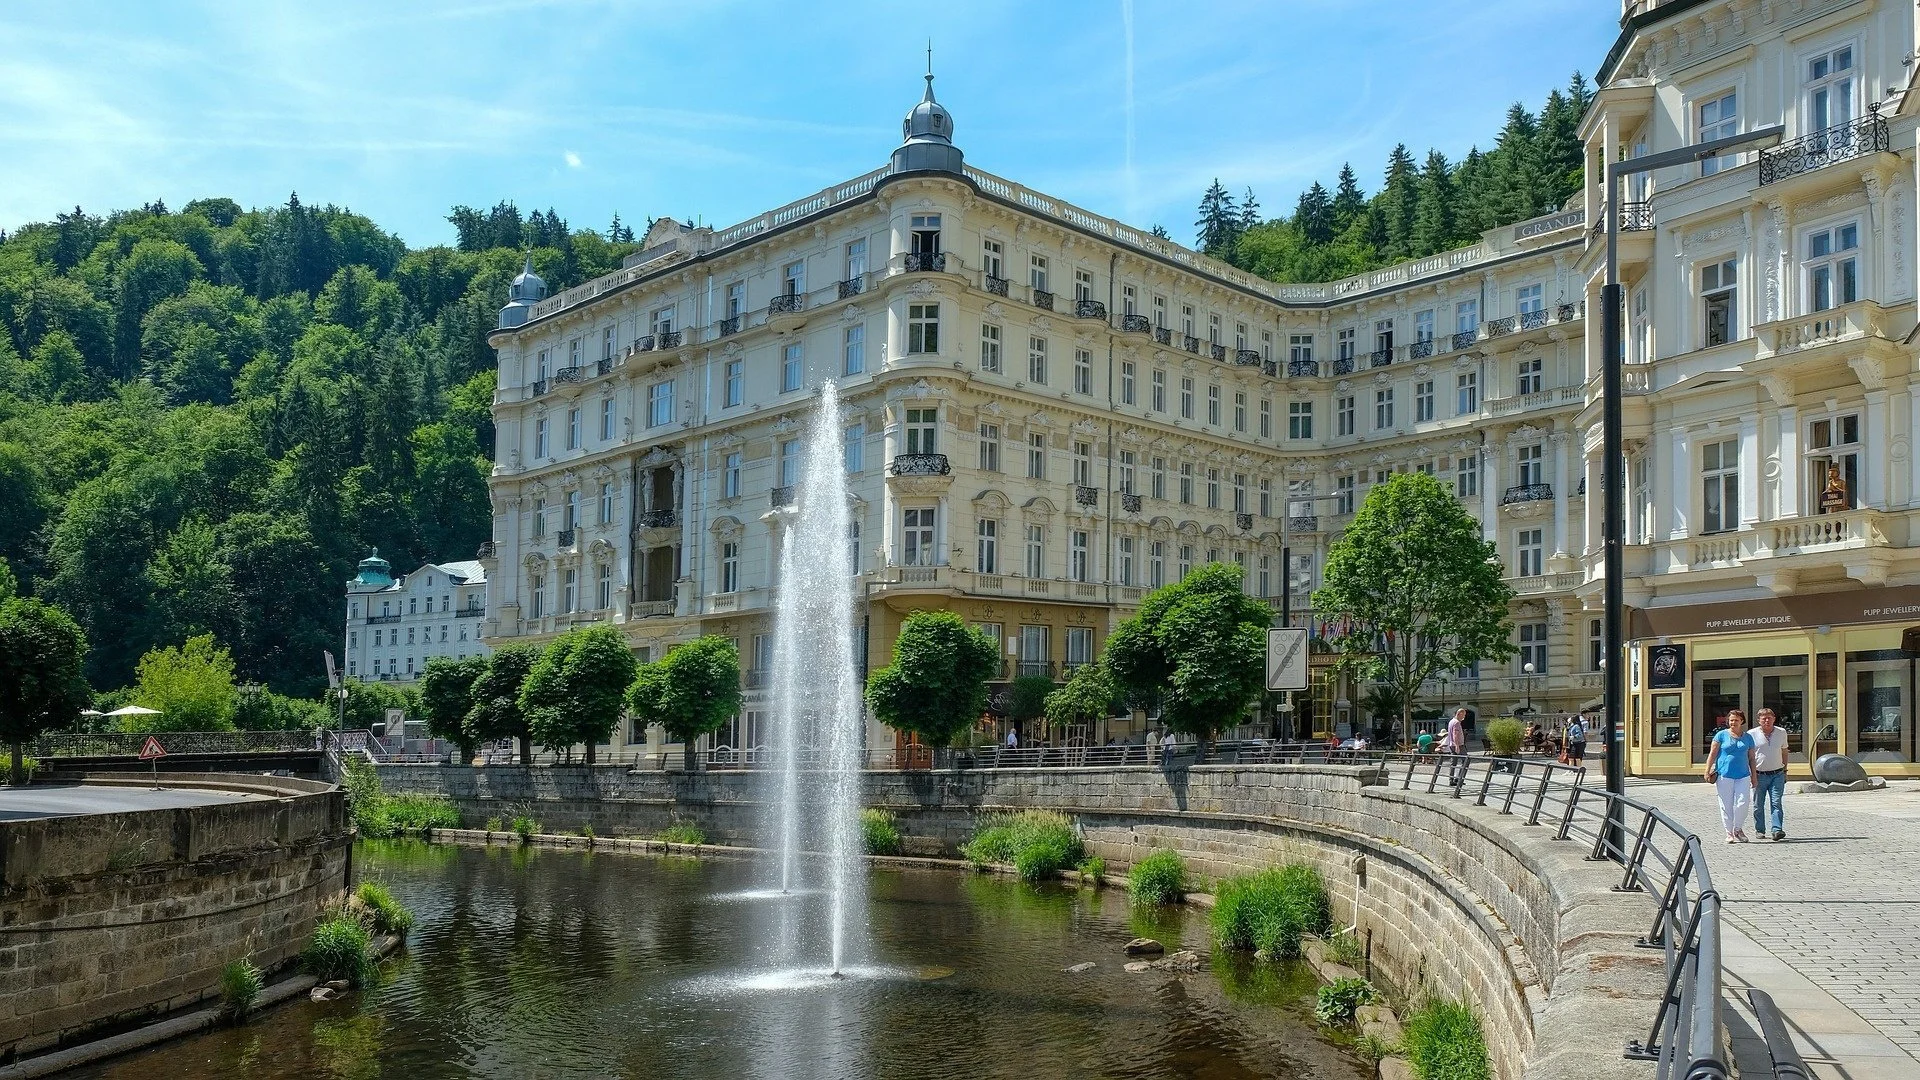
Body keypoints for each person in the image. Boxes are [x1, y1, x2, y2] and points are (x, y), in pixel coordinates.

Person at [1704, 708, 1759, 843]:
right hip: (1724, 775)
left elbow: (1752, 758)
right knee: (1726, 804)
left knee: (1743, 802)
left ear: (1742, 721)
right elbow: (1712, 754)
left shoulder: (1748, 737)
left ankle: (1738, 829)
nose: (1733, 722)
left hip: (1743, 774)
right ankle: (1729, 833)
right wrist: (1707, 770)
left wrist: (1754, 775)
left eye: (1736, 720)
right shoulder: (1721, 735)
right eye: (1731, 720)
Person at [1750, 708, 1790, 841]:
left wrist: (1785, 770)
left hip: (1777, 774)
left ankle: (1777, 830)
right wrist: (1751, 774)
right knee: (1758, 804)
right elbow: (1749, 756)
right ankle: (1760, 830)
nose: (1767, 720)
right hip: (1759, 774)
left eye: (1769, 718)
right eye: (1764, 718)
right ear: (1759, 720)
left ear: (1774, 719)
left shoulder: (1781, 732)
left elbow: (1784, 752)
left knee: (1776, 802)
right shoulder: (1752, 734)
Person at [1444, 708, 1468, 786]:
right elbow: (1455, 734)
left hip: (1451, 745)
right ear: (1459, 714)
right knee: (1465, 761)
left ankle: (1451, 780)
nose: (1464, 717)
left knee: (1453, 763)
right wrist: (1457, 746)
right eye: (1463, 715)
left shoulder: (1451, 722)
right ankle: (1458, 778)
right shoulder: (1457, 723)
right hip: (1459, 745)